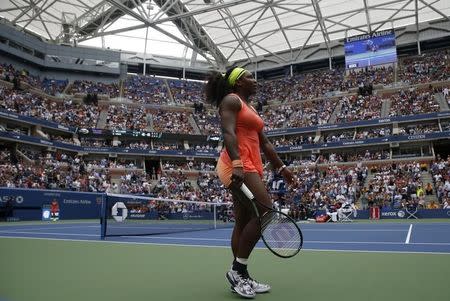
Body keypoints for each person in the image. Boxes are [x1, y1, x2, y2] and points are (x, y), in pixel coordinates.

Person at [204, 67, 296, 298]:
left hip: (252, 167)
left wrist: (282, 168)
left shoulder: (250, 108)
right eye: (248, 77)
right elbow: (227, 132)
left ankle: (241, 276)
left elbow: (265, 144)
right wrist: (236, 163)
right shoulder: (231, 100)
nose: (254, 80)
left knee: (243, 222)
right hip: (236, 166)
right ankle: (237, 271)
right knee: (267, 213)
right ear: (238, 83)